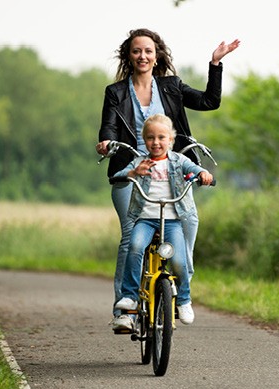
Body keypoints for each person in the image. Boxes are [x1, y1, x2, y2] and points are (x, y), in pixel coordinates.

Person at [95, 28, 239, 331]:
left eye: (148, 51)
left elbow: (209, 102)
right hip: (133, 172)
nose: (143, 56)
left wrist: (215, 64)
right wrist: (107, 143)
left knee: (189, 221)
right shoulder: (116, 92)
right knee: (129, 239)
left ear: (157, 54)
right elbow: (108, 127)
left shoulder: (171, 86)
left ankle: (182, 278)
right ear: (129, 56)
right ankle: (126, 309)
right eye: (136, 51)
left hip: (171, 173)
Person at [113, 114, 214, 329]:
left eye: (161, 137)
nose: (156, 142)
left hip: (172, 221)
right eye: (150, 138)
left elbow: (195, 169)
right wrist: (133, 173)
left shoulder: (179, 160)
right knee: (135, 247)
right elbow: (118, 175)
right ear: (144, 140)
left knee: (179, 259)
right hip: (145, 219)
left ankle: (184, 300)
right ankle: (130, 296)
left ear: (171, 140)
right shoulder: (140, 161)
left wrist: (203, 173)